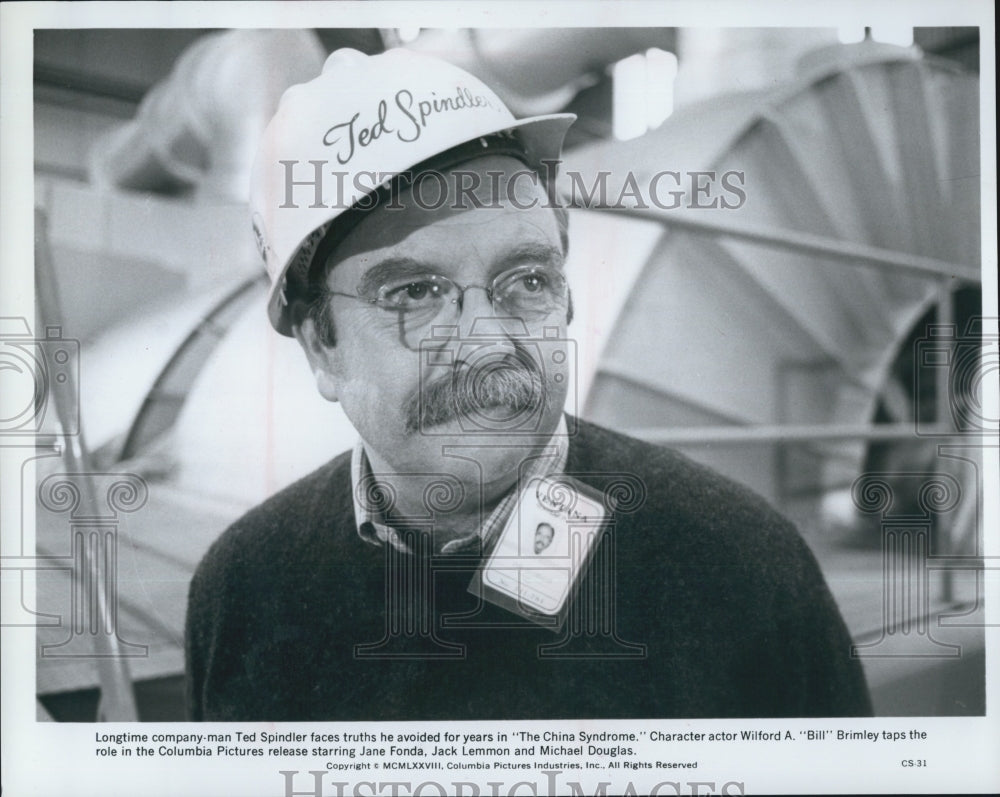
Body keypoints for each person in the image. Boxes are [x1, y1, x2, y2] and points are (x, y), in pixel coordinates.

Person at [185, 47, 872, 721]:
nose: (488, 341)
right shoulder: (244, 589)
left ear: (567, 300)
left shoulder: (742, 571)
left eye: (527, 281)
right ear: (321, 347)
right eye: (416, 292)